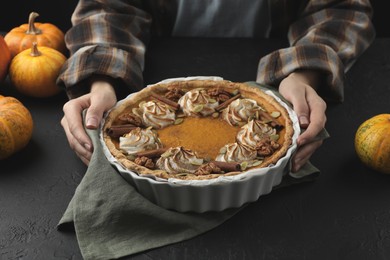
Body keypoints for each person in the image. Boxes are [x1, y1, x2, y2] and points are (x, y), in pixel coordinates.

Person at [57, 0, 375, 172]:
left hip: (276, 77)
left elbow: (342, 9)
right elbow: (107, 7)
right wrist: (102, 81)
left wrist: (304, 75)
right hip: (152, 70)